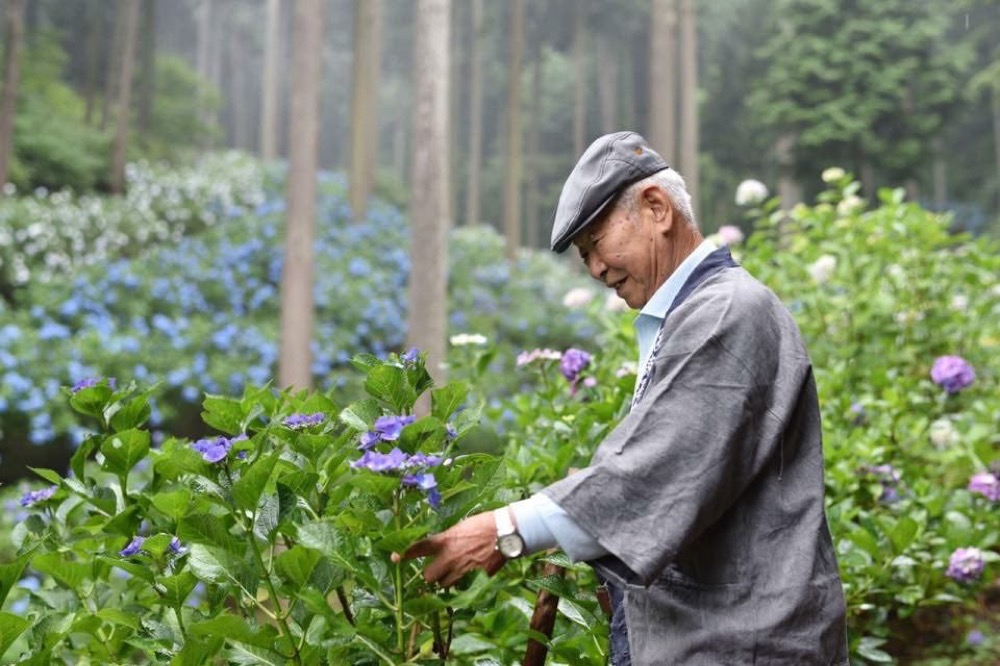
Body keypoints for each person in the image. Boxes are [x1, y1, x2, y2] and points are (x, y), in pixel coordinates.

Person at [399, 131, 848, 664]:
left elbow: (655, 468)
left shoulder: (727, 312)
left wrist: (505, 530)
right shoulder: (693, 315)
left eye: (595, 243)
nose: (594, 269)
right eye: (584, 255)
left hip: (746, 645)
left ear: (656, 208)